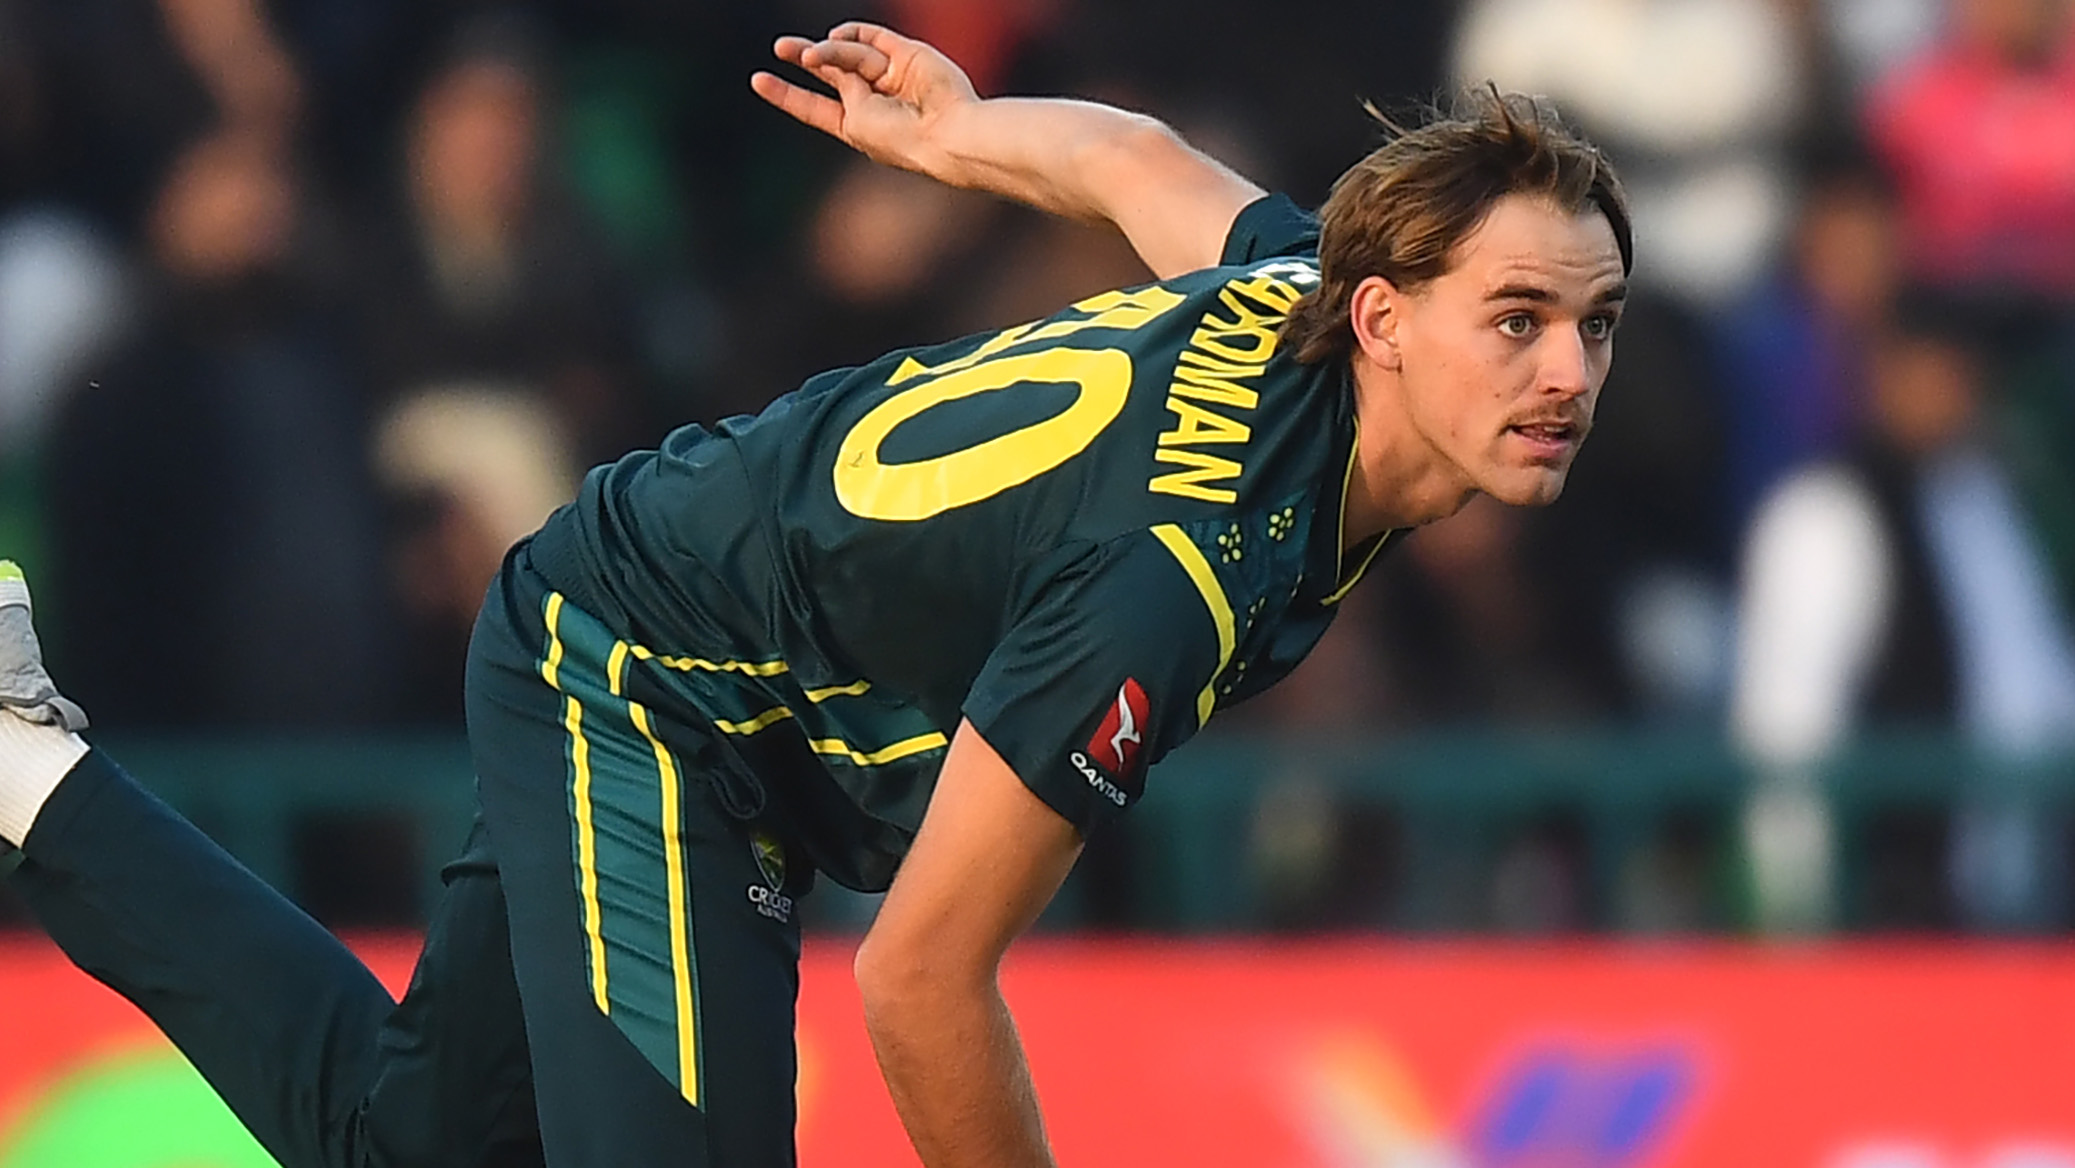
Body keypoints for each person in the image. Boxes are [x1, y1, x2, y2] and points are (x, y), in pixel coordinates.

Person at [0, 22, 1631, 1168]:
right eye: (1519, 319)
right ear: (1382, 321)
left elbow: (1136, 160)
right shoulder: (1183, 574)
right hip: (650, 680)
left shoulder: (1294, 284)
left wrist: (959, 135)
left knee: (403, 1145)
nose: (1568, 371)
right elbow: (918, 979)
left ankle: (20, 768)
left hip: (688, 642)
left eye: (1596, 322)